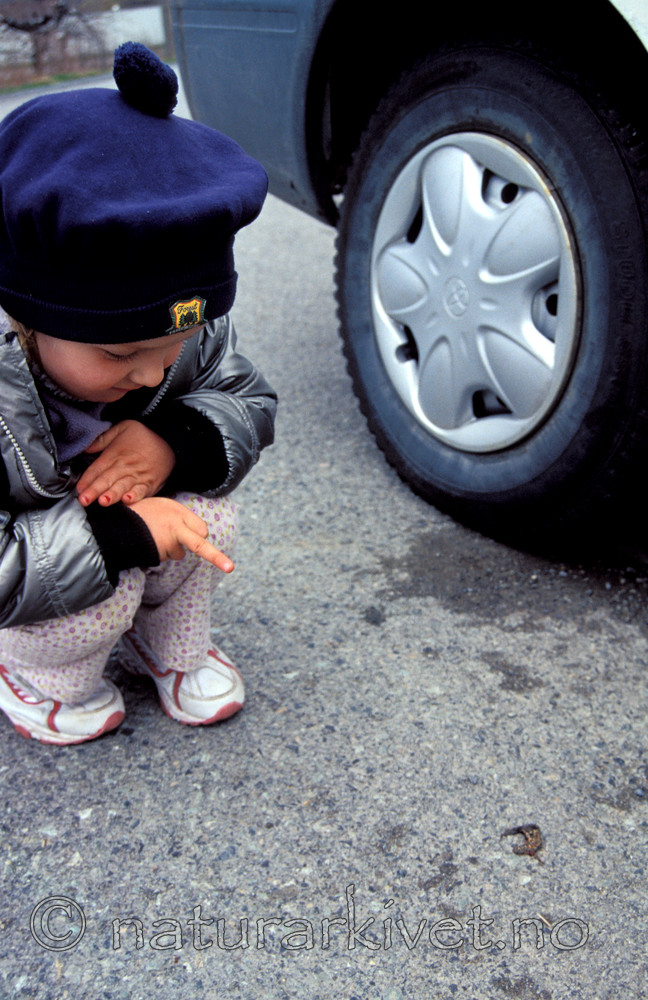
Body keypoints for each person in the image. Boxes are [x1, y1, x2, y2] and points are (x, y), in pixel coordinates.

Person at [0, 43, 277, 745]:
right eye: (121, 353)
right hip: (37, 583)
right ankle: (35, 678)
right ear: (29, 317)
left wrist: (171, 441)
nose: (153, 374)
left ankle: (170, 648)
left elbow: (248, 398)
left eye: (173, 346)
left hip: (111, 538)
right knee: (106, 590)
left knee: (205, 519)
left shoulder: (178, 332)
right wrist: (120, 538)